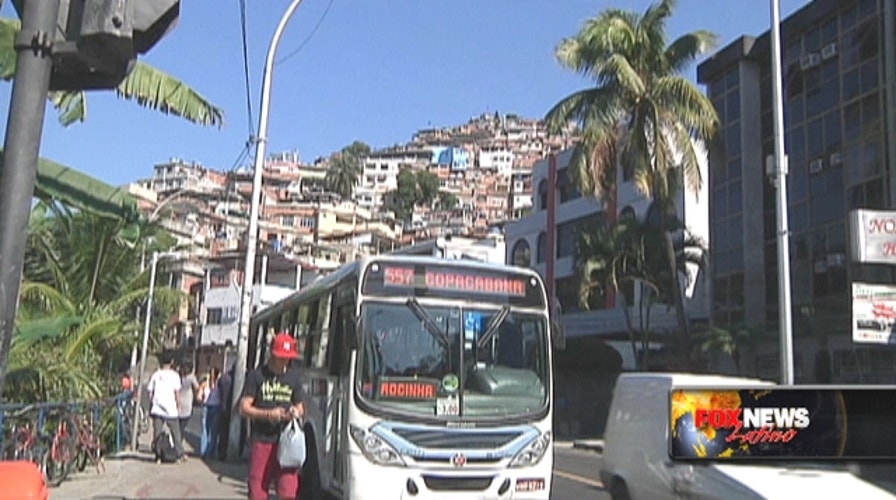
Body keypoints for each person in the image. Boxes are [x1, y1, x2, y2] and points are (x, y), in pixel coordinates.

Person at [239, 333, 306, 500]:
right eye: (281, 357)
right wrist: (268, 414)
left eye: (288, 358)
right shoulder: (257, 376)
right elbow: (243, 408)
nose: (285, 362)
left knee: (288, 491)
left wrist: (295, 412)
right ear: (272, 354)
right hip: (262, 440)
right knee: (257, 490)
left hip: (287, 442)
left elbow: (301, 406)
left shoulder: (294, 377)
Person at [147, 353, 184, 462]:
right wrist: (179, 405)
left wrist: (154, 402)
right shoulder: (175, 376)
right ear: (171, 362)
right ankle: (179, 454)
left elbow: (150, 393)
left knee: (157, 433)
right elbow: (177, 393)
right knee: (176, 433)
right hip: (171, 409)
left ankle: (158, 455)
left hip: (157, 408)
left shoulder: (155, 375)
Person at [177, 361, 200, 455]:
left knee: (177, 427)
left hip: (177, 403)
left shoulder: (178, 376)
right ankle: (178, 446)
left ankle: (176, 444)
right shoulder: (191, 378)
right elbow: (197, 387)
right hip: (187, 404)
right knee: (182, 427)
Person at [201, 366, 221, 459]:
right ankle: (211, 453)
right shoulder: (219, 384)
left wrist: (202, 398)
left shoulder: (205, 384)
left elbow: (198, 396)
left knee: (205, 430)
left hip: (206, 406)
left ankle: (203, 452)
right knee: (214, 432)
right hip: (216, 407)